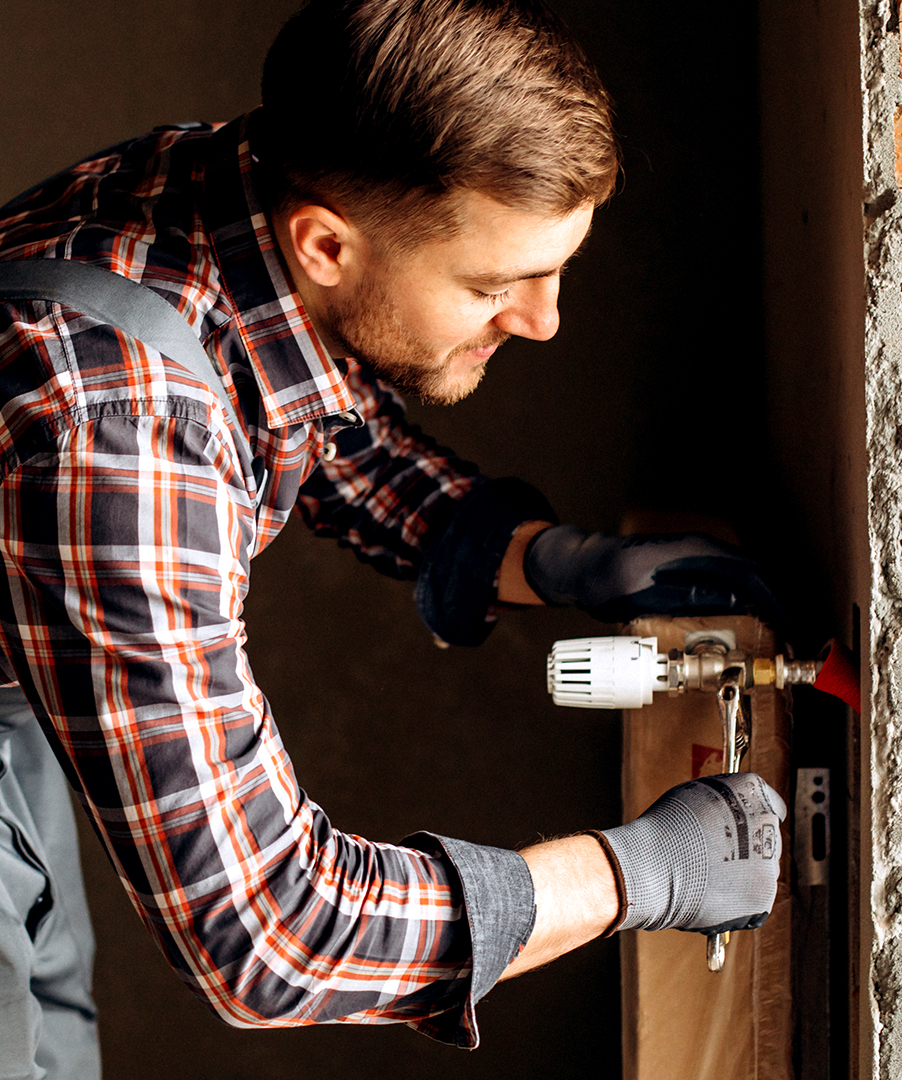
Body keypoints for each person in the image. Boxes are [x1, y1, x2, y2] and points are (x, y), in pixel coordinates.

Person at [0, 1, 785, 1076]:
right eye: (495, 285)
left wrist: (521, 551)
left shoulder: (237, 185)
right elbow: (268, 934)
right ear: (327, 241)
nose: (544, 320)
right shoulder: (118, 433)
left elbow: (276, 389)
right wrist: (635, 875)